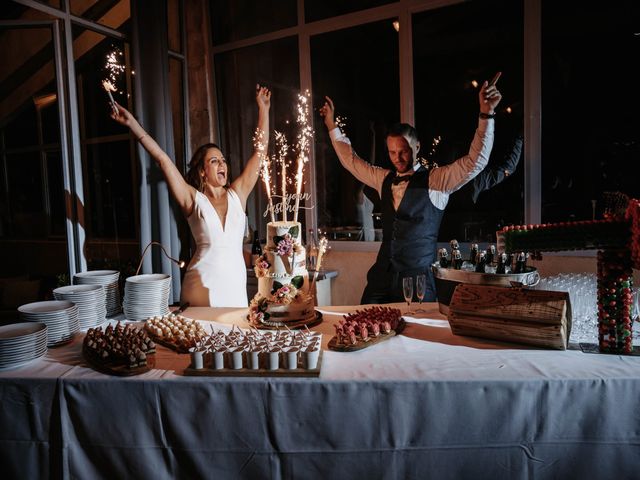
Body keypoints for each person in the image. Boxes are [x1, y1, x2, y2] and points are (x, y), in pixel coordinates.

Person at [319, 79, 501, 304]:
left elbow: (476, 161)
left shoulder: (437, 181)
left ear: (416, 147)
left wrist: (486, 116)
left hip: (418, 281)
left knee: (417, 336)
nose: (397, 158)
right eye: (392, 152)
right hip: (381, 277)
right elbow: (351, 161)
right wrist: (331, 126)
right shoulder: (383, 178)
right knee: (364, 326)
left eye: (403, 151)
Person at [111, 85, 271, 307]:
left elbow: (260, 152)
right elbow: (163, 160)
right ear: (203, 171)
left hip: (235, 291)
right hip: (199, 288)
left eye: (223, 160)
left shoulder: (238, 194)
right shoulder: (193, 199)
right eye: (214, 161)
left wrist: (263, 110)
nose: (222, 163)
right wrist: (133, 125)